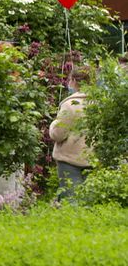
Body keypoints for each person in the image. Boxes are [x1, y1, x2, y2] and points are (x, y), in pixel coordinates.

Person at [50, 66, 93, 200]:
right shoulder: (98, 102)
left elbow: (58, 134)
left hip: (69, 159)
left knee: (71, 199)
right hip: (92, 159)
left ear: (74, 80)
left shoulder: (70, 104)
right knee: (89, 200)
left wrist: (52, 125)